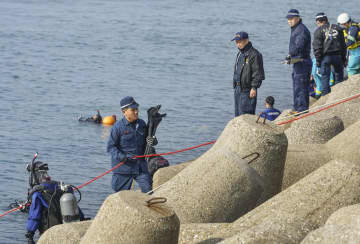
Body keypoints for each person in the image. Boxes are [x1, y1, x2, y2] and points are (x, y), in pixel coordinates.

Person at [25, 162, 85, 244]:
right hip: (69, 228)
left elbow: (34, 216)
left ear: (34, 176)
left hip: (51, 231)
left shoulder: (38, 193)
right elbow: (75, 208)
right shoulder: (61, 188)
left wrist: (30, 234)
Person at [107, 96, 156, 193]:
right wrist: (122, 157)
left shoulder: (142, 124)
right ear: (124, 112)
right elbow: (110, 148)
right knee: (120, 195)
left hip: (140, 167)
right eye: (133, 110)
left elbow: (148, 141)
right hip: (122, 169)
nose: (136, 112)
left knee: (149, 191)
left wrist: (153, 142)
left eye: (137, 109)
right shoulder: (117, 127)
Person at [285, 9, 312, 114]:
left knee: (301, 87)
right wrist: (290, 57)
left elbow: (299, 46)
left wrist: (290, 55)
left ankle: (302, 110)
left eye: (291, 19)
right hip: (297, 61)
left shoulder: (301, 30)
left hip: (302, 61)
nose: (289, 21)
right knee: (297, 86)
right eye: (288, 19)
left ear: (298, 18)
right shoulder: (296, 28)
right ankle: (297, 108)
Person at [313, 12, 346, 96]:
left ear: (318, 22)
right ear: (326, 20)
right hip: (338, 56)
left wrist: (318, 61)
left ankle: (325, 96)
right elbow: (343, 45)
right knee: (339, 76)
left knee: (325, 77)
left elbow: (317, 48)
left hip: (326, 57)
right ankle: (339, 94)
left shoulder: (318, 30)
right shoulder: (338, 28)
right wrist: (344, 59)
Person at [232, 31, 265, 116]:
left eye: (240, 41)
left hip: (247, 90)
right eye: (236, 42)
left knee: (246, 115)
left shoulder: (255, 54)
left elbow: (258, 73)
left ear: (246, 41)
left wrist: (254, 87)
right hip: (238, 89)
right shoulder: (240, 54)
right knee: (237, 115)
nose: (238, 44)